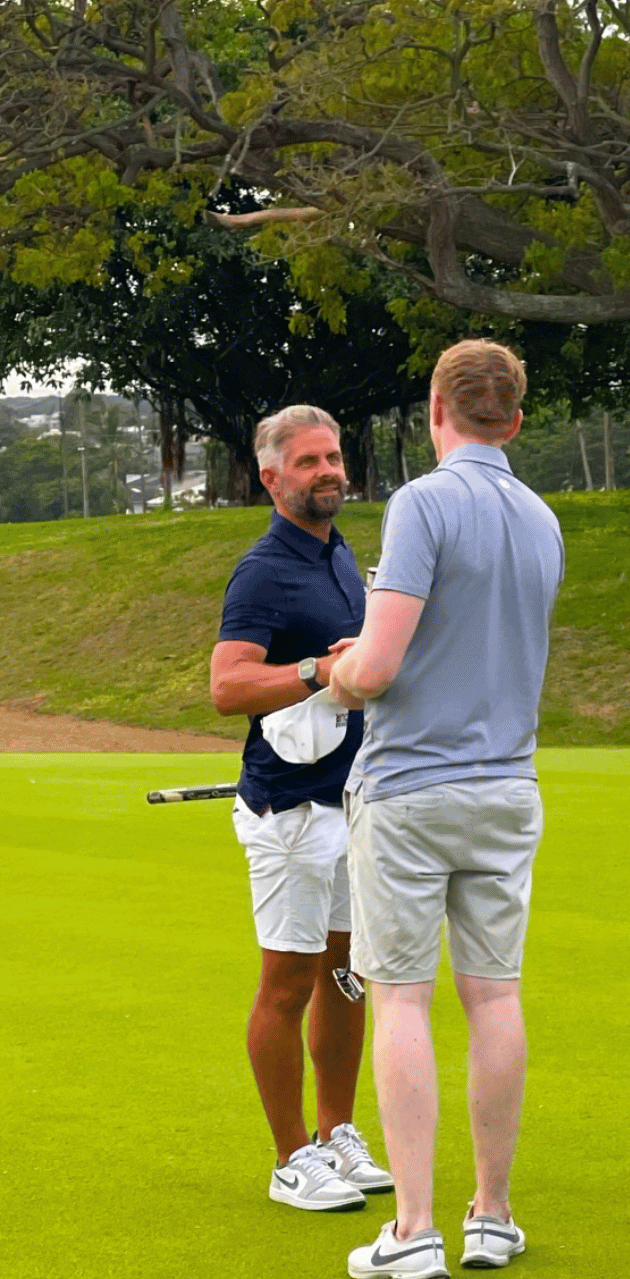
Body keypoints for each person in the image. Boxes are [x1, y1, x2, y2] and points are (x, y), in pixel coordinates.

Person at [329, 339, 565, 1279]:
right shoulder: (543, 517)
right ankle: (492, 1214)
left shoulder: (422, 502)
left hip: (413, 788)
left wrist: (340, 673)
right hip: (508, 788)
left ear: (437, 409)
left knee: (401, 997)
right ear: (512, 419)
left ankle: (415, 1225)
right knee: (495, 994)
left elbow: (377, 668)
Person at [210, 404, 392, 1212]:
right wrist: (318, 670)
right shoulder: (264, 569)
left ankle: (337, 1133)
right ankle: (290, 1159)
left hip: (348, 800)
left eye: (334, 457)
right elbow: (227, 685)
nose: (329, 472)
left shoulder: (340, 555)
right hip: (288, 810)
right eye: (311, 461)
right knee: (287, 983)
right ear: (272, 477)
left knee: (346, 978)